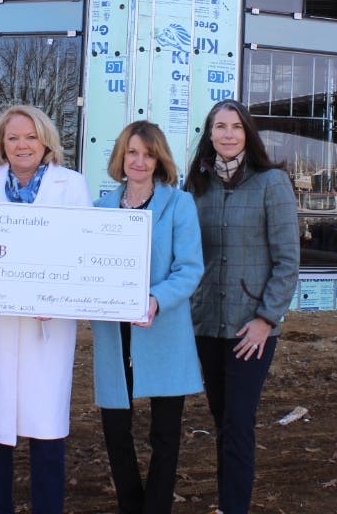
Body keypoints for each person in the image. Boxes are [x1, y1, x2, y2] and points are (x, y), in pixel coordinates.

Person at [0, 105, 92, 514]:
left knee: (46, 426)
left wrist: (59, 296)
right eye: (13, 137)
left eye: (31, 137)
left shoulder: (71, 185)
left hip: (45, 328)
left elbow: (83, 252)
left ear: (45, 142)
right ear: (1, 143)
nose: (22, 145)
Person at [184, 99, 300, 514]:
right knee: (221, 418)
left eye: (236, 126)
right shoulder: (196, 186)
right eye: (220, 126)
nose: (228, 134)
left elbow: (287, 261)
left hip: (251, 328)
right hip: (206, 323)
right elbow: (183, 251)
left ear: (248, 133)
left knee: (238, 421)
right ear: (210, 134)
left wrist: (266, 319)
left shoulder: (271, 183)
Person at [91, 120, 204, 514]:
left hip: (162, 328)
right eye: (132, 152)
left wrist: (156, 300)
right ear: (121, 156)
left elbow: (189, 268)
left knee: (165, 434)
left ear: (160, 160)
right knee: (116, 430)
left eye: (148, 154)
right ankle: (130, 505)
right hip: (114, 332)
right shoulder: (101, 209)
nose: (139, 161)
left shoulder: (179, 204)